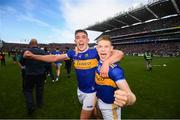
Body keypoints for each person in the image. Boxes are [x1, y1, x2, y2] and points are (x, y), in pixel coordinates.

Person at [24, 29, 124, 119]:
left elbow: (119, 53)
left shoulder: (95, 51)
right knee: (94, 114)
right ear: (75, 41)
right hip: (80, 90)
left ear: (88, 40)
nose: (80, 40)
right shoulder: (72, 53)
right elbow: (54, 58)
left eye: (83, 37)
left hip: (92, 92)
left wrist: (106, 63)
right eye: (77, 38)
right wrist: (33, 56)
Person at [95, 35, 136, 119]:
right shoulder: (98, 60)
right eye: (100, 46)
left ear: (111, 49)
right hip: (99, 100)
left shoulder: (114, 70)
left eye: (106, 46)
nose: (102, 49)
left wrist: (128, 100)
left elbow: (130, 95)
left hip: (110, 107)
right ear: (97, 48)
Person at [23, 39, 47, 115]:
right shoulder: (42, 52)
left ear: (30, 44)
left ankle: (30, 106)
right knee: (39, 89)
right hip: (40, 74)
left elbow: (22, 61)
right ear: (37, 44)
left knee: (28, 90)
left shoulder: (27, 51)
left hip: (29, 74)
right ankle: (39, 104)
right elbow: (46, 63)